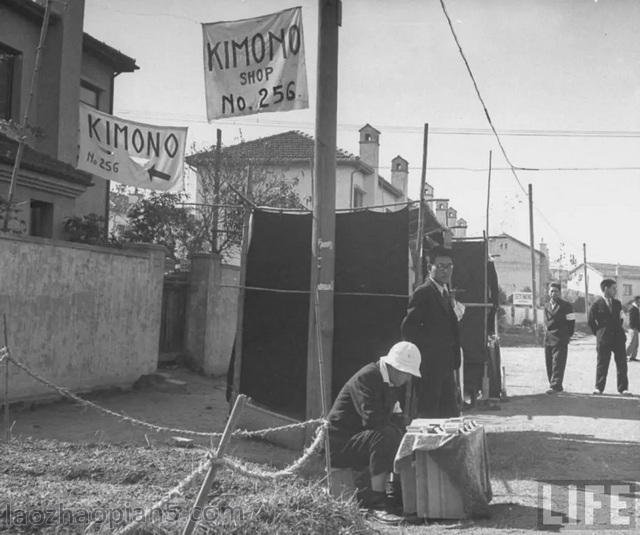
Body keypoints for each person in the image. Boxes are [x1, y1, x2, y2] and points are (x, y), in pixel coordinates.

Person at [327, 341, 422, 509]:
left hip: (360, 438)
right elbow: (371, 418)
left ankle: (394, 489)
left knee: (399, 434)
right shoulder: (367, 377)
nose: (408, 378)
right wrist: (394, 427)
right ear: (394, 367)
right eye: (406, 373)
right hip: (338, 445)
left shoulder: (391, 381)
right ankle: (376, 499)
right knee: (384, 435)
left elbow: (396, 416)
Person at [401, 247, 461, 418]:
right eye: (440, 266)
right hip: (429, 368)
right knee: (428, 414)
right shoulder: (424, 292)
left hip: (446, 366)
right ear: (429, 268)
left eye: (449, 266)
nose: (445, 271)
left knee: (449, 414)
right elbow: (408, 330)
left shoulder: (443, 292)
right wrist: (424, 358)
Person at [588, 279, 630, 395]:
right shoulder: (596, 304)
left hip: (618, 338)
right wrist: (599, 333)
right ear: (606, 289)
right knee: (602, 363)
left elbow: (622, 318)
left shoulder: (617, 303)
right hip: (604, 339)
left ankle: (623, 388)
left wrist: (618, 329)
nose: (615, 290)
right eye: (613, 288)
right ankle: (599, 388)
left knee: (622, 364)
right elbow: (591, 321)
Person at [543, 282, 576, 393]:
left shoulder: (567, 306)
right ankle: (553, 384)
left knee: (558, 362)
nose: (553, 293)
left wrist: (567, 335)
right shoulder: (546, 306)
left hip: (561, 338)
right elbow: (546, 322)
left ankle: (555, 386)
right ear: (548, 292)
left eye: (556, 291)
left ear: (560, 293)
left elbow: (571, 322)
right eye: (551, 291)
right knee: (549, 362)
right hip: (549, 338)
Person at [626, 296, 640, 362]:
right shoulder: (632, 308)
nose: (639, 303)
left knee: (636, 343)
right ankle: (624, 356)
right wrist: (633, 328)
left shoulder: (637, 308)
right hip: (633, 328)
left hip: (636, 328)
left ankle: (633, 357)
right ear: (636, 301)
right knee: (632, 343)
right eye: (639, 301)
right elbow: (631, 320)